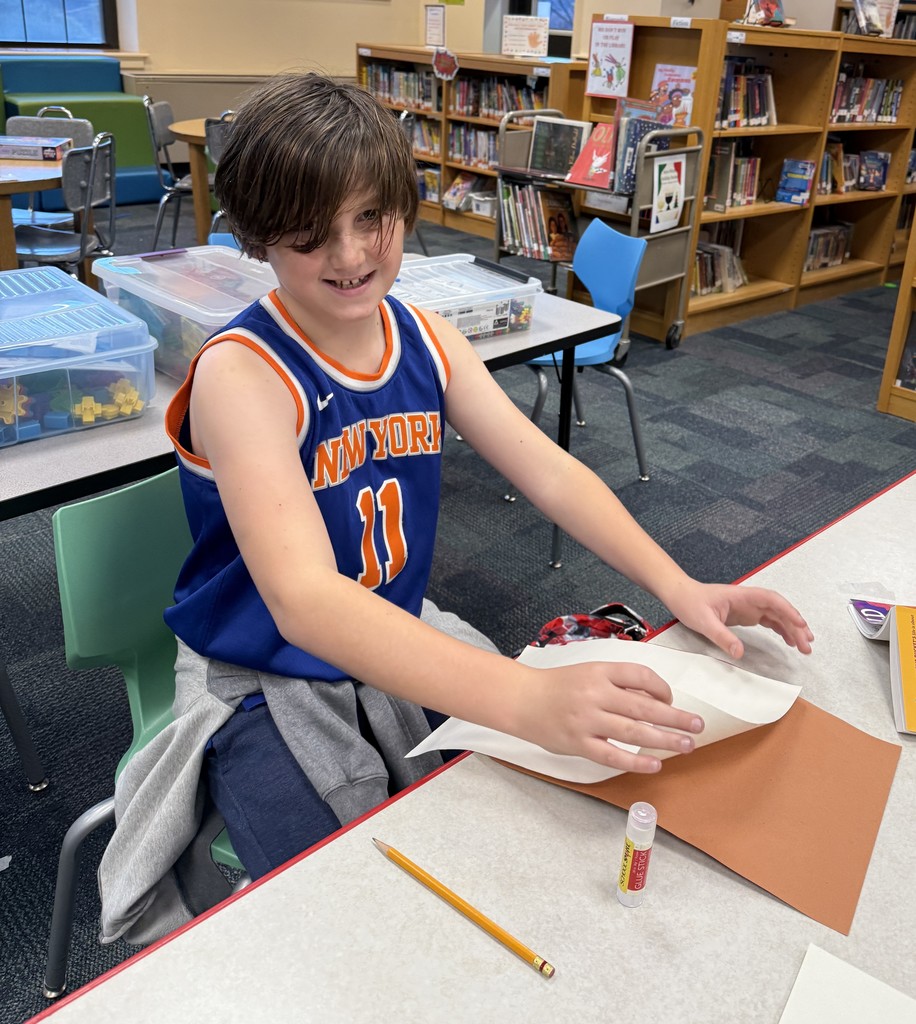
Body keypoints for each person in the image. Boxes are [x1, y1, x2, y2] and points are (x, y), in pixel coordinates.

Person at [97, 72, 813, 942]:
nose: (353, 254)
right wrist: (522, 698)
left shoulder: (425, 339)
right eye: (311, 234)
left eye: (373, 219)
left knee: (518, 815)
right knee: (339, 909)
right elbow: (305, 601)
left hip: (398, 635)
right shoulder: (243, 372)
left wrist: (682, 584)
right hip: (261, 674)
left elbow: (549, 471)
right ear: (257, 240)